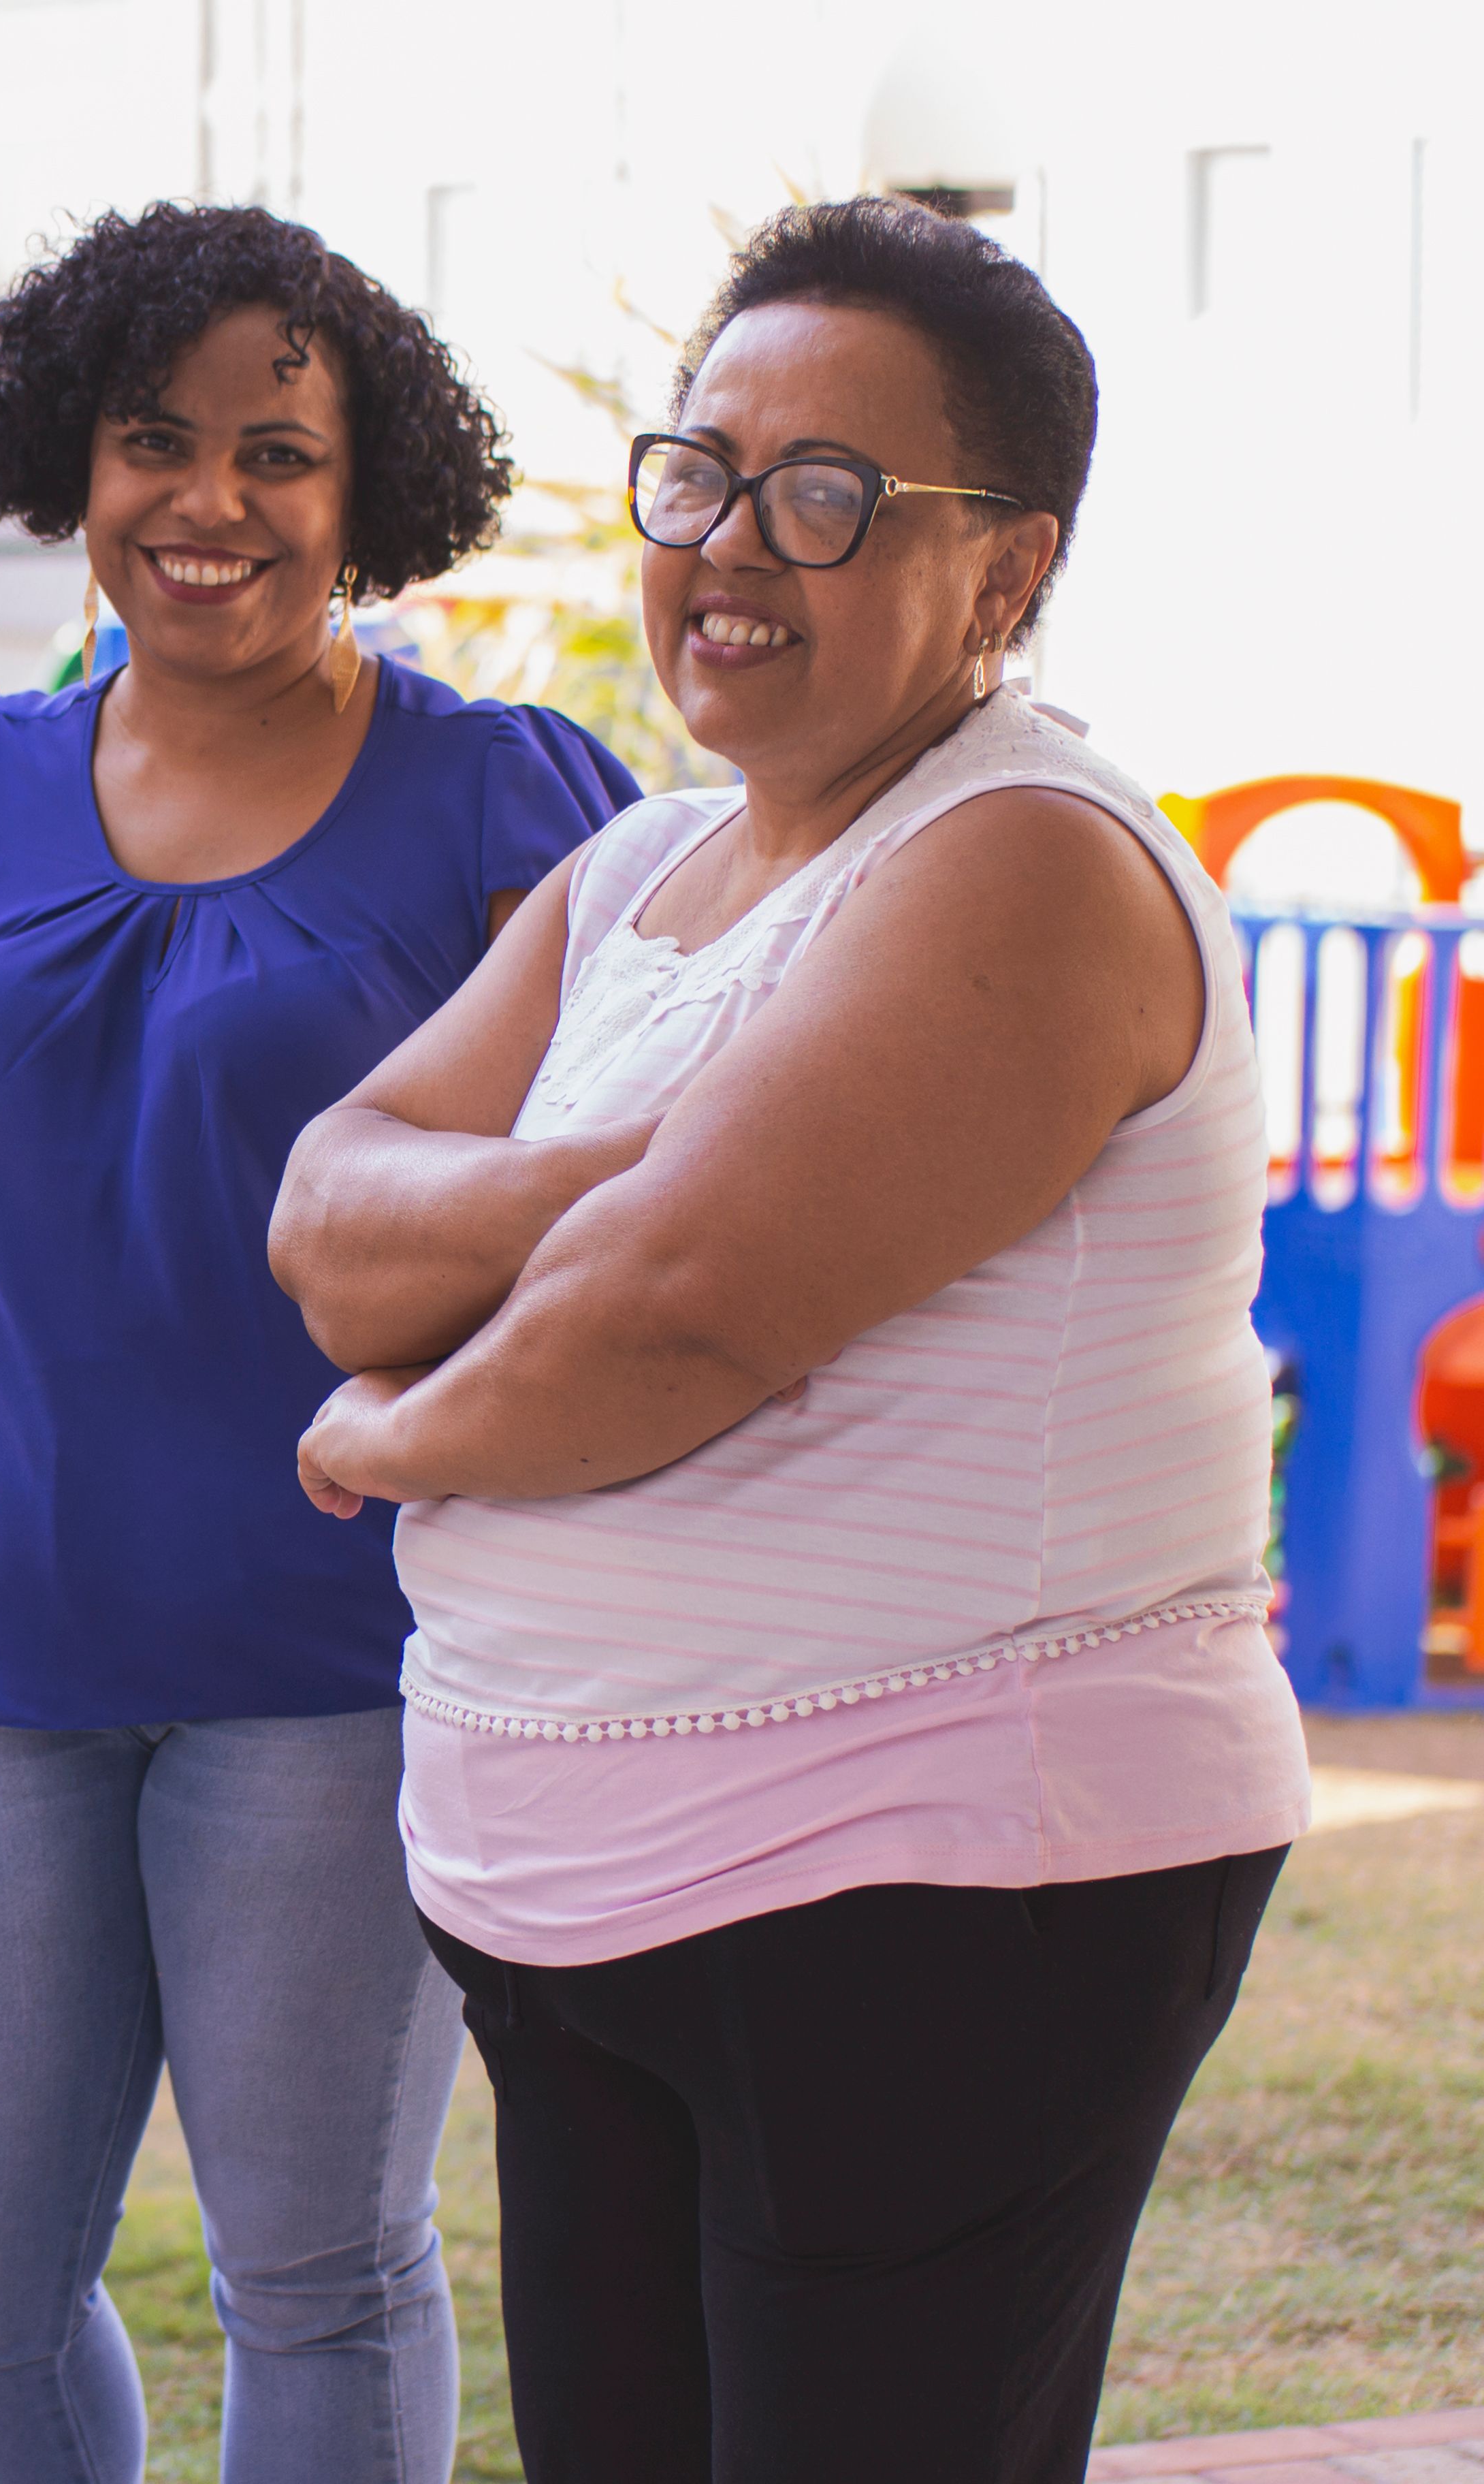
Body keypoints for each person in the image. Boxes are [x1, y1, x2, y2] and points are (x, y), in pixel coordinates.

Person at [272, 197, 1308, 2484]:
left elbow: (677, 1319)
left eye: (829, 497)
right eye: (701, 475)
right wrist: (620, 1163)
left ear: (1008, 573)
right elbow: (334, 1212)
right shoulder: (641, 869)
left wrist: (385, 1440)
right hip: (593, 1909)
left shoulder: (1025, 855)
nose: (734, 543)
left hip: (936, 1899)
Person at [0, 203, 639, 2484]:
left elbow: (614, 1223)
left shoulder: (501, 807)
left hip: (331, 1647)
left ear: (361, 492)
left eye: (277, 453)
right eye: (151, 441)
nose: (210, 504)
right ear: (66, 468)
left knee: (311, 2267)